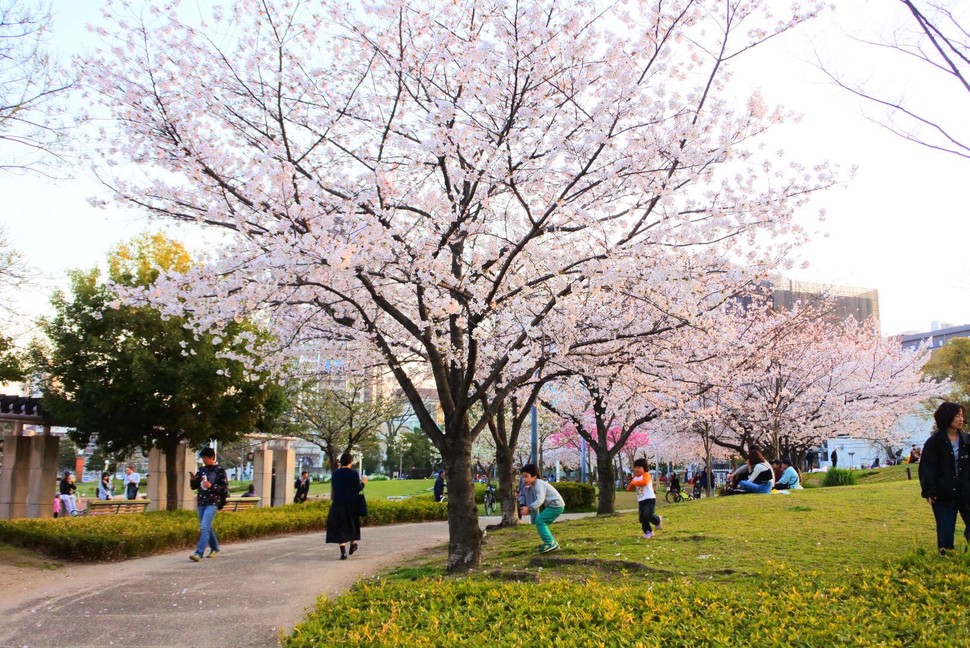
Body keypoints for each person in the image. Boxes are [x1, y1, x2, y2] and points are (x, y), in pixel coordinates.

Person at [919, 402, 970, 553]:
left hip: (967, 492)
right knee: (945, 532)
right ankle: (946, 561)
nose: (961, 419)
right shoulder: (934, 442)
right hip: (944, 494)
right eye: (956, 416)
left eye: (962, 415)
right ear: (946, 417)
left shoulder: (967, 440)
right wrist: (928, 491)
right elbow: (927, 468)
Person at [188, 447, 229, 562]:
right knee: (207, 526)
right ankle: (215, 547)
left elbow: (224, 488)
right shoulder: (201, 470)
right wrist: (193, 479)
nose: (204, 460)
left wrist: (211, 486)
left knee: (204, 527)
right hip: (201, 501)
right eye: (202, 458)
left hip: (213, 502)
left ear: (212, 457)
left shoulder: (220, 470)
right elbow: (194, 487)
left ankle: (199, 553)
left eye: (205, 458)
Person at [326, 452, 368, 560]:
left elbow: (335, 487)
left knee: (340, 526)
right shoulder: (353, 473)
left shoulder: (335, 474)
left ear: (341, 462)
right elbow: (357, 488)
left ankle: (343, 552)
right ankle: (353, 544)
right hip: (351, 503)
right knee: (352, 524)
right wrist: (363, 482)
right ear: (351, 462)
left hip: (338, 503)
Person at [519, 463, 565, 553]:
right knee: (541, 523)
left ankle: (551, 543)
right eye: (523, 477)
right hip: (555, 506)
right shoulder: (535, 485)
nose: (524, 479)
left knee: (540, 521)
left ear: (534, 476)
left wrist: (529, 508)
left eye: (526, 476)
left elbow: (540, 500)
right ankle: (550, 543)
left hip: (556, 505)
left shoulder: (539, 484)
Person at [626, 458, 662, 539]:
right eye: (635, 467)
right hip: (641, 501)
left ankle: (658, 520)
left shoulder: (646, 475)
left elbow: (644, 482)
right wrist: (631, 485)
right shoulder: (635, 478)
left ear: (644, 468)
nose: (636, 469)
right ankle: (648, 531)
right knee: (642, 518)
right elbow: (628, 489)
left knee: (648, 514)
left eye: (639, 467)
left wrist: (633, 483)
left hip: (649, 499)